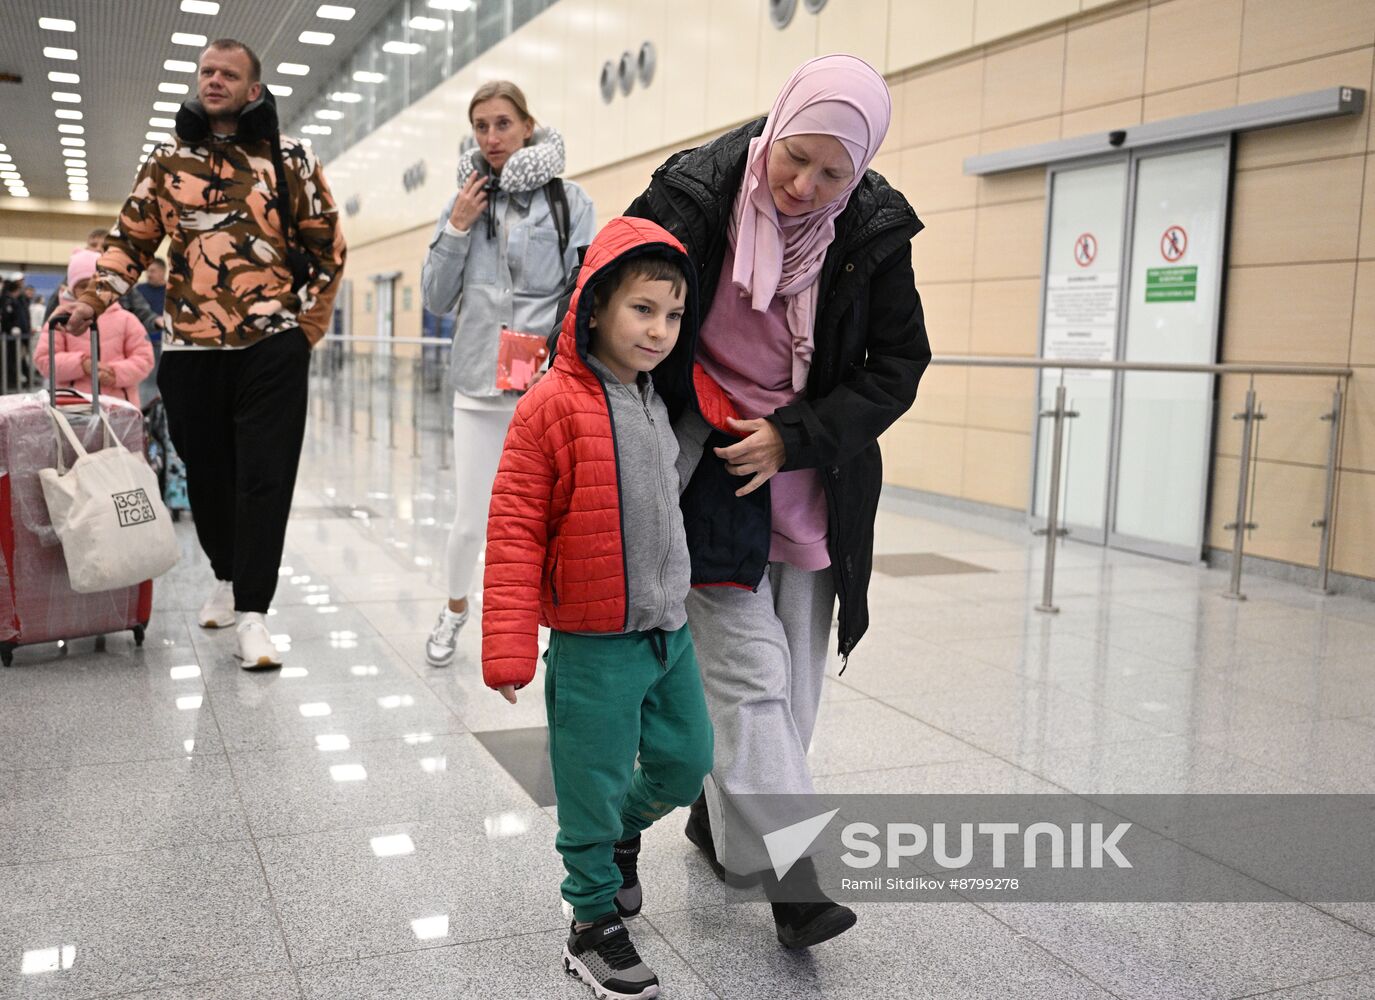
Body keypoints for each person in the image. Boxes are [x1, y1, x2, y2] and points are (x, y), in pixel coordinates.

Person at [623, 54, 930, 948]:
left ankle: (719, 823)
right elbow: (612, 306)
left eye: (832, 172)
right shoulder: (693, 192)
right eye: (793, 157)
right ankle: (797, 880)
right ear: (775, 127)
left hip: (809, 477)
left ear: (860, 169)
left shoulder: (871, 228)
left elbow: (895, 367)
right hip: (704, 466)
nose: (803, 184)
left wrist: (793, 436)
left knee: (790, 701)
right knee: (749, 683)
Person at [482, 217, 721, 1000]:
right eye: (641, 310)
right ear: (594, 310)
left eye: (673, 314)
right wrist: (510, 647)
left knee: (686, 761)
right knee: (590, 780)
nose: (658, 330)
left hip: (667, 631)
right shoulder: (550, 404)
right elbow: (514, 529)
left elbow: (672, 470)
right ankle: (590, 923)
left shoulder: (653, 399)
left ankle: (625, 831)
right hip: (592, 644)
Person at [54, 38, 347, 670]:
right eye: (207, 71)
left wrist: (305, 332)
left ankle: (256, 615)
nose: (214, 81)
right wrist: (91, 301)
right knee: (207, 477)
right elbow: (131, 243)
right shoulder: (167, 161)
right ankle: (225, 575)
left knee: (266, 478)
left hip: (271, 346)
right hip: (189, 347)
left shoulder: (289, 158)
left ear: (253, 90)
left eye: (229, 74)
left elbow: (329, 251)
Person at [420, 79, 593, 668]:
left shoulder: (570, 202)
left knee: (547, 517)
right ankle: (454, 610)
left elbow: (585, 294)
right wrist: (457, 229)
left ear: (527, 125)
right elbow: (437, 300)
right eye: (480, 126)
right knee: (472, 518)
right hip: (476, 385)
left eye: (502, 123)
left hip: (545, 388)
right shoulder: (462, 200)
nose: (491, 137)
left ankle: (551, 627)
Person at [34, 249, 153, 406]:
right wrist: (81, 364)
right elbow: (43, 361)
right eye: (83, 286)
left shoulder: (127, 320)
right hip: (72, 409)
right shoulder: (59, 321)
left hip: (120, 409)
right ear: (71, 288)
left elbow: (144, 359)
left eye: (95, 286)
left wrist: (114, 373)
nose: (89, 293)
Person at [45, 229, 160, 336]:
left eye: (105, 246)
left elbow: (141, 311)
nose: (98, 249)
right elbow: (50, 323)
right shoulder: (66, 286)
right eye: (93, 245)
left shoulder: (120, 282)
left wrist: (156, 320)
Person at [136, 257, 169, 401]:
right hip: (144, 342)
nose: (149, 274)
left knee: (164, 382)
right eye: (148, 271)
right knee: (145, 384)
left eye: (153, 271)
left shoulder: (171, 291)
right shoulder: (138, 291)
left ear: (163, 271)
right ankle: (146, 415)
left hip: (166, 344)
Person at [0, 279, 31, 390]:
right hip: (9, 337)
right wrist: (11, 328)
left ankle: (16, 380)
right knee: (10, 360)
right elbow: (7, 318)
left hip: (18, 335)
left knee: (18, 359)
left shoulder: (18, 300)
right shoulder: (8, 301)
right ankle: (10, 382)